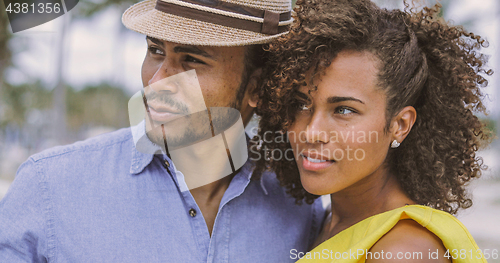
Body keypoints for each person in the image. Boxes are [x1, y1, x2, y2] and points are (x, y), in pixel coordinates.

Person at [0, 0, 325, 262]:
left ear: (257, 87)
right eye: (156, 51)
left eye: (192, 60)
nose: (156, 83)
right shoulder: (49, 187)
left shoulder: (299, 209)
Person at [252, 0, 492, 262]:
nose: (311, 132)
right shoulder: (329, 224)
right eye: (301, 104)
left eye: (343, 110)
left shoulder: (402, 252)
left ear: (399, 125)